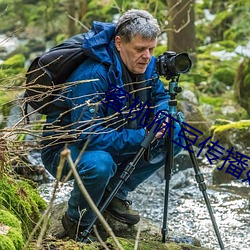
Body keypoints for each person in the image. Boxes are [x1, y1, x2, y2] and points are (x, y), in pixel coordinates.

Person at [41, 9, 184, 241]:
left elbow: (160, 97)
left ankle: (115, 193)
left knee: (175, 131)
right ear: (119, 43)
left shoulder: (146, 65)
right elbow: (87, 136)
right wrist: (142, 136)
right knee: (100, 164)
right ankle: (76, 221)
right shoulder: (93, 75)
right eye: (140, 49)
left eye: (151, 49)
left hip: (116, 134)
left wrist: (161, 117)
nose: (147, 56)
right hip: (66, 150)